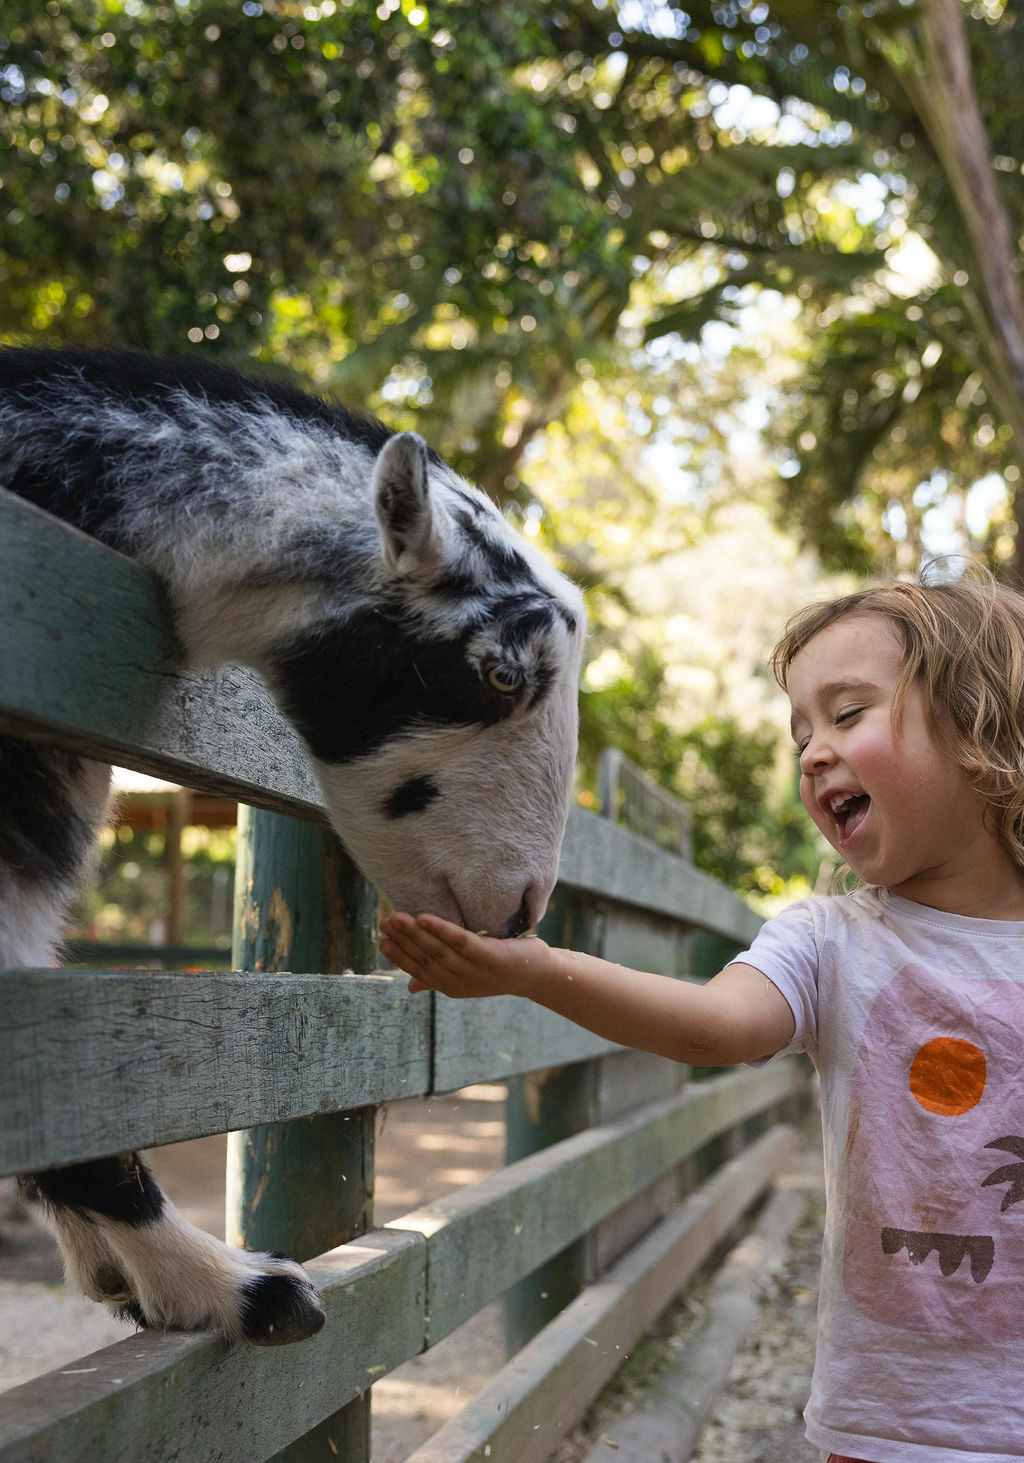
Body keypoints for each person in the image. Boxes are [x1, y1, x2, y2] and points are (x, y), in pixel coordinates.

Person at [379, 573, 1024, 1463]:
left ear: (978, 721)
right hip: (897, 1424)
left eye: (847, 714)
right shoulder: (831, 941)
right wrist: (541, 970)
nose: (811, 752)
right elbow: (712, 1023)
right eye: (801, 730)